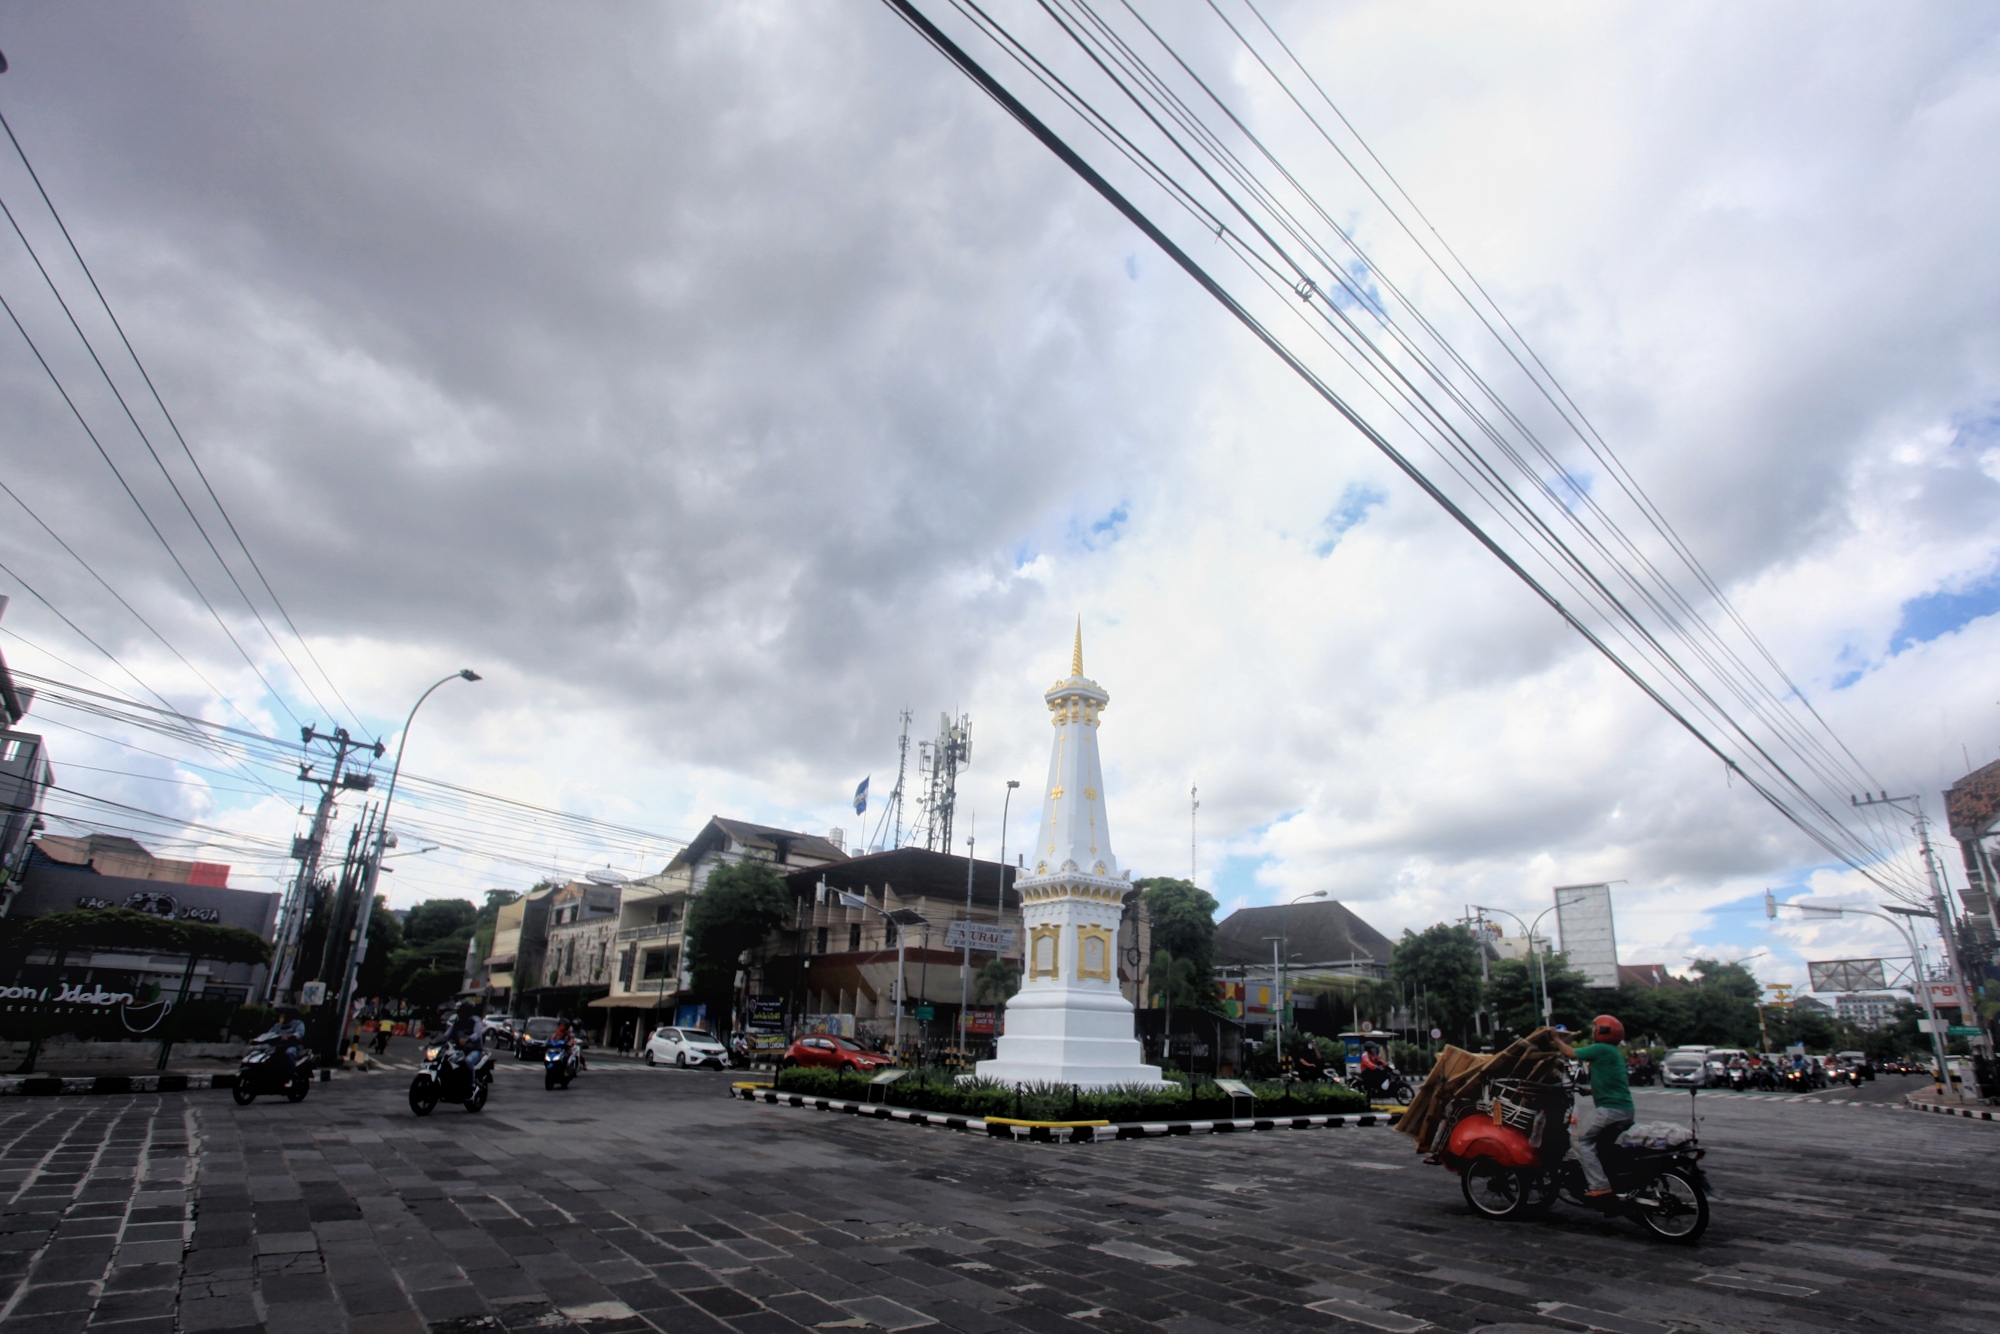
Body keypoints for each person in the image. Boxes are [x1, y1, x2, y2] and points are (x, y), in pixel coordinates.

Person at [1557, 1015, 1635, 1200]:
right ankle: (1611, 1179)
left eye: (1596, 1028)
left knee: (1579, 1140)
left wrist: (1555, 1039)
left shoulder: (1600, 1048)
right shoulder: (1613, 1052)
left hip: (1610, 1111)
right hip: (1625, 1111)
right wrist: (1591, 1091)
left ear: (1602, 1031)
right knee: (1600, 1147)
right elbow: (1613, 1082)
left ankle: (1599, 1185)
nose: (1593, 1031)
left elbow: (1571, 1053)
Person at [267, 1006, 307, 1081]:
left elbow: (300, 1033)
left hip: (291, 1045)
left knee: (289, 1053)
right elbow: (269, 1034)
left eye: (284, 1014)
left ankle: (291, 1073)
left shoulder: (298, 1023)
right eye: (281, 1014)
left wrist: (292, 1036)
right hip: (278, 1046)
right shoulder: (278, 1025)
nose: (282, 1016)